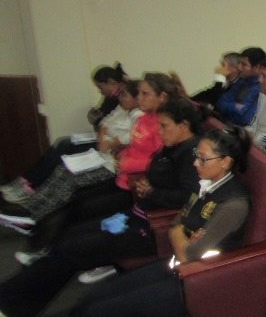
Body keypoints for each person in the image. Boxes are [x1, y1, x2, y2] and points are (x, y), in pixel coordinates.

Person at [1, 127, 252, 317]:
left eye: (203, 158)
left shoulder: (234, 203)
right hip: (175, 268)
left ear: (226, 162)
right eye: (196, 156)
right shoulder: (206, 184)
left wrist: (181, 236)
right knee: (88, 302)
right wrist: (182, 235)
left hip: (198, 283)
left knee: (96, 316)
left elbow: (188, 253)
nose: (195, 163)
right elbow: (178, 224)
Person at [0, 97, 204, 317]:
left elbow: (188, 197)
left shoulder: (192, 154)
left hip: (151, 230)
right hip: (135, 216)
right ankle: (12, 300)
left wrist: (152, 192)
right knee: (69, 237)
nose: (160, 131)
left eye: (164, 126)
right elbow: (164, 178)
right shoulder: (172, 147)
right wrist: (148, 184)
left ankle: (12, 306)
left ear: (183, 125)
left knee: (72, 248)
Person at [0, 73, 184, 232]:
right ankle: (30, 212)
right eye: (139, 93)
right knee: (64, 170)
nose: (139, 98)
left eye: (145, 94)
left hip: (132, 177)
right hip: (120, 169)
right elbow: (133, 144)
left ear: (162, 97)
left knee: (74, 186)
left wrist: (123, 160)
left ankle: (32, 216)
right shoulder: (145, 118)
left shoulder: (164, 124)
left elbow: (161, 161)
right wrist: (119, 153)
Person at [1, 78, 143, 204]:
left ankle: (31, 188)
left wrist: (109, 143)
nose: (120, 98)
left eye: (124, 95)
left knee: (65, 154)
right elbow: (105, 121)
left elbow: (131, 137)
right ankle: (27, 182)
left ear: (137, 99)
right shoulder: (123, 108)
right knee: (63, 143)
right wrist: (101, 136)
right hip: (102, 142)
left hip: (108, 150)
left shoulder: (138, 115)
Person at [216, 46, 266, 126]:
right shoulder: (243, 80)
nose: (239, 67)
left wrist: (228, 108)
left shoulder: (262, 87)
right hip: (228, 124)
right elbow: (220, 103)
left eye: (244, 64)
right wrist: (235, 106)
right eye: (239, 63)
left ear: (257, 67)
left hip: (240, 129)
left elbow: (244, 119)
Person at [86, 64, 127, 130]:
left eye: (100, 87)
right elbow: (103, 115)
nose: (100, 91)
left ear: (111, 82)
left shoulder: (128, 98)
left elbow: (111, 124)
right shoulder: (111, 98)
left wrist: (97, 121)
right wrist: (95, 116)